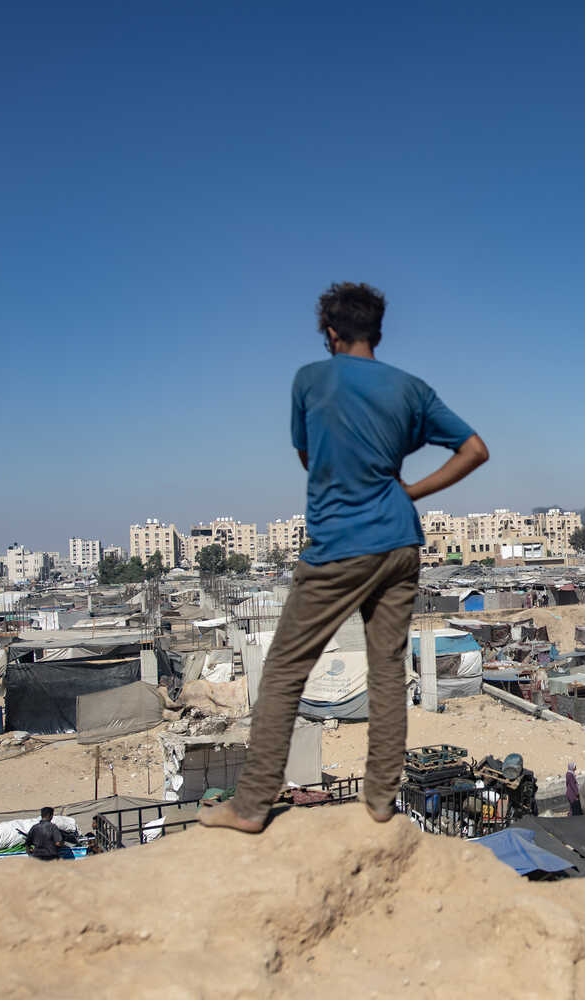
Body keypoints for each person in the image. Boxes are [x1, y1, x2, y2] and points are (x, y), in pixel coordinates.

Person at [201, 282, 488, 834]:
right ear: (376, 330)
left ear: (329, 331)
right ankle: (381, 799)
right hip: (401, 544)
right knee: (386, 671)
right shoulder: (411, 388)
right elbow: (475, 449)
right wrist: (409, 492)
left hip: (338, 545)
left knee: (285, 669)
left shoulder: (311, 379)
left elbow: (309, 456)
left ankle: (251, 803)